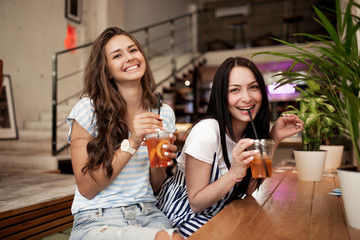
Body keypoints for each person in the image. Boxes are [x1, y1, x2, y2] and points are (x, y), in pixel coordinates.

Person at [156, 56, 304, 238]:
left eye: (253, 87)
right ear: (221, 96)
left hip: (220, 213)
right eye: (235, 90)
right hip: (183, 216)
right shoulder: (206, 132)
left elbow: (250, 189)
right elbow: (196, 202)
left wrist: (274, 138)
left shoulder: (249, 131)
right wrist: (235, 172)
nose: (247, 97)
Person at [66, 27, 183, 240]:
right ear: (107, 70)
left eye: (133, 50)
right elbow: (87, 188)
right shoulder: (87, 110)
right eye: (117, 55)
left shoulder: (163, 113)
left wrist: (160, 158)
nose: (130, 58)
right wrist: (133, 141)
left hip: (148, 212)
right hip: (97, 217)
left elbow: (156, 185)